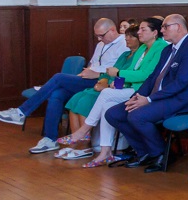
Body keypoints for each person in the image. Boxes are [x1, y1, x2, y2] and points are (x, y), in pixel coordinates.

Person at [0, 18, 130, 154]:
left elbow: (119, 68)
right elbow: (93, 63)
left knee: (58, 78)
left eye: (102, 35)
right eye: (97, 36)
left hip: (103, 81)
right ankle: (50, 139)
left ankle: (21, 112)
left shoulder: (124, 43)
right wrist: (85, 72)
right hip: (88, 77)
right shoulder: (101, 45)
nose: (99, 39)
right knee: (56, 94)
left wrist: (97, 74)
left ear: (112, 30)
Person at [105, 14, 188, 173]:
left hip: (182, 100)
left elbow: (181, 84)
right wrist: (137, 97)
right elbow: (153, 77)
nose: (162, 30)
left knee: (136, 116)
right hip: (161, 97)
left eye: (166, 27)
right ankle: (144, 152)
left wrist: (149, 99)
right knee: (114, 114)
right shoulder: (168, 49)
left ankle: (162, 153)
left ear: (178, 27)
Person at [60, 20, 168, 163]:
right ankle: (105, 151)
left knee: (105, 94)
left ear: (154, 33)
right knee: (106, 107)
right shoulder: (142, 49)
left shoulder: (161, 47)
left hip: (145, 91)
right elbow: (130, 71)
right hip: (131, 87)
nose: (139, 33)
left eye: (143, 30)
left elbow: (146, 75)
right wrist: (116, 83)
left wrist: (118, 73)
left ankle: (84, 130)